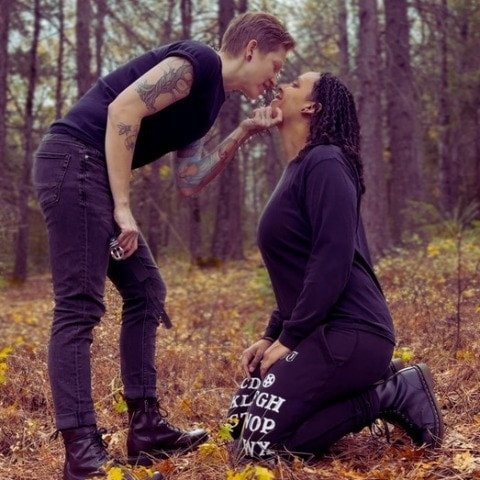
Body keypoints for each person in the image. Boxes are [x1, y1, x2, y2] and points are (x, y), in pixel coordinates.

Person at [32, 12, 295, 480]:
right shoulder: (197, 61)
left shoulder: (211, 102)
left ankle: (146, 427)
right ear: (252, 49)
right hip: (73, 162)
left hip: (91, 172)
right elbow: (123, 110)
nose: (276, 78)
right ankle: (81, 452)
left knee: (147, 291)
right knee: (79, 306)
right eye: (275, 65)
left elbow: (189, 180)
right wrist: (123, 207)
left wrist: (244, 131)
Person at [226, 72, 444, 461]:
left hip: (351, 331)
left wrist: (289, 339)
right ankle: (354, 389)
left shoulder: (326, 160)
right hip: (319, 332)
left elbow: (332, 259)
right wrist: (271, 335)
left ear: (312, 107)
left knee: (257, 449)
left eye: (294, 84)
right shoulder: (299, 168)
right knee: (239, 426)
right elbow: (301, 273)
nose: (282, 86)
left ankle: (389, 393)